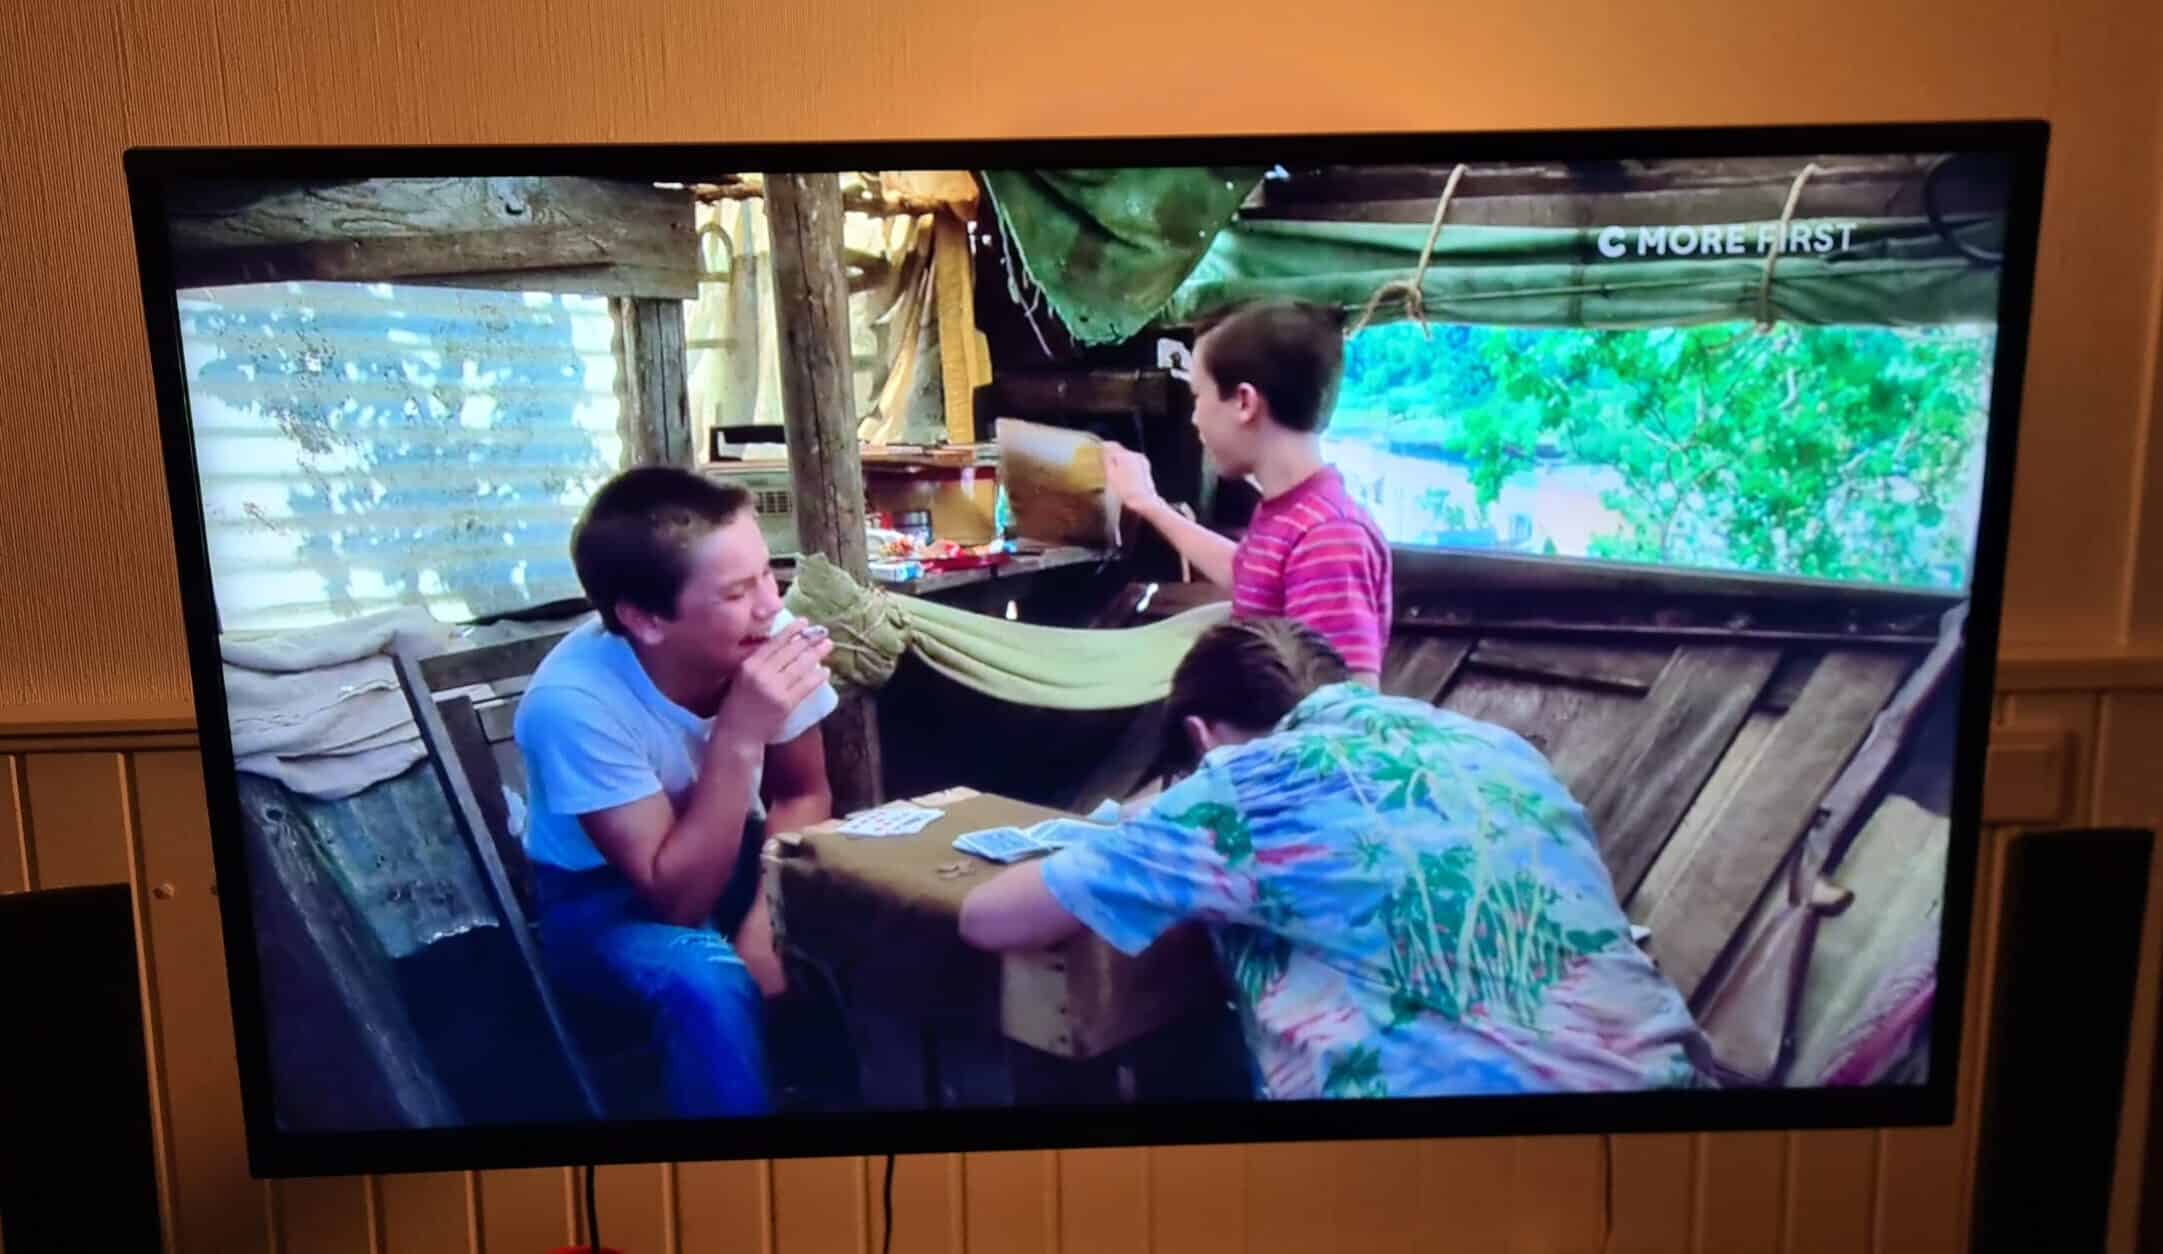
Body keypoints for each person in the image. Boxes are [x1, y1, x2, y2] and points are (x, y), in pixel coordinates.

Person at [957, 618, 1709, 1099]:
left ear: (1201, 739)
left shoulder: (1247, 786)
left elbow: (989, 919)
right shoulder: (1496, 746)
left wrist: (1161, 814)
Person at [513, 466, 839, 1118]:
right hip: (604, 902)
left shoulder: (766, 631)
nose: (771, 606)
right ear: (645, 619)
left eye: (768, 574)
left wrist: (765, 925)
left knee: (872, 911)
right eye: (736, 592)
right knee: (707, 981)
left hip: (746, 856)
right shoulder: (572, 704)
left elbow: (802, 795)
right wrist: (739, 733)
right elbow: (678, 904)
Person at [1102, 299, 1392, 688]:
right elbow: (1248, 574)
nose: (1195, 418)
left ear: (1244, 402)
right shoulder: (1293, 514)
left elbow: (1344, 707)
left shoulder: (1328, 537)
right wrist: (1149, 504)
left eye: (1198, 397)